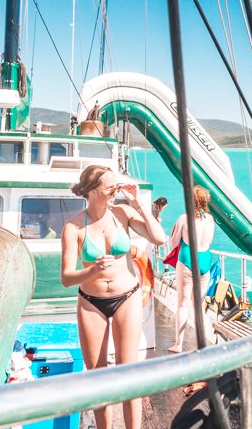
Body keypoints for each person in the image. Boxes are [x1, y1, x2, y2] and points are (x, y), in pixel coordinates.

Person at [60, 165, 166, 429]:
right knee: (98, 376)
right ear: (93, 191)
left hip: (126, 297)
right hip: (91, 303)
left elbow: (159, 238)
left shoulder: (123, 213)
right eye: (111, 187)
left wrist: (139, 204)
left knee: (128, 372)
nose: (117, 191)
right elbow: (66, 277)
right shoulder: (73, 228)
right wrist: (92, 269)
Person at [167, 186, 215, 353]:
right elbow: (209, 242)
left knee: (182, 304)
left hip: (187, 258)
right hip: (205, 260)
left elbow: (173, 243)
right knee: (199, 305)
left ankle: (178, 344)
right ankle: (199, 344)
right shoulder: (209, 219)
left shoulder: (184, 218)